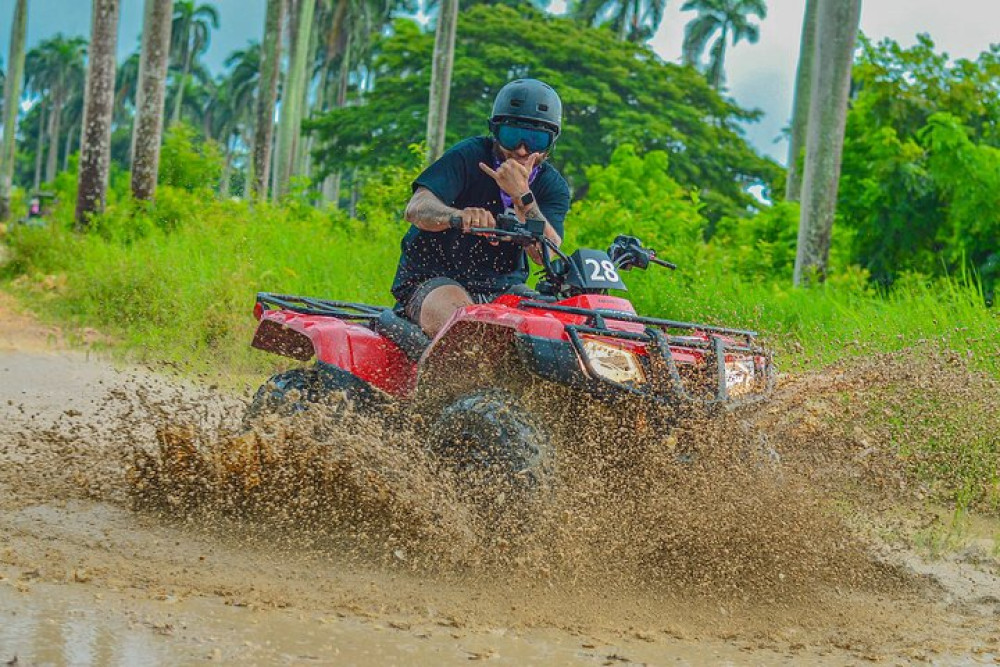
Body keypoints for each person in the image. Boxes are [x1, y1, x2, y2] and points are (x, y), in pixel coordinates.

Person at [392, 78, 572, 337]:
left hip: (505, 287)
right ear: (495, 132)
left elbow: (546, 254)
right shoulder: (468, 156)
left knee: (551, 331)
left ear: (551, 142)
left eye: (535, 139)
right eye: (512, 137)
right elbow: (417, 208)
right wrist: (457, 216)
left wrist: (522, 195)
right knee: (466, 328)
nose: (521, 150)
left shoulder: (552, 187)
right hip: (431, 279)